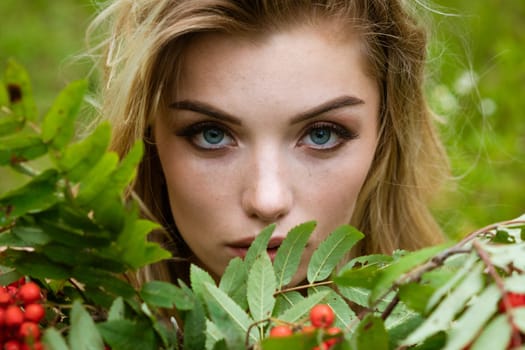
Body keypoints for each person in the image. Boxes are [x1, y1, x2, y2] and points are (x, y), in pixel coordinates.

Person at [88, 0, 449, 287]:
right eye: (211, 134)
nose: (267, 200)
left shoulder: (472, 328)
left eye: (321, 134)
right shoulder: (53, 321)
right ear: (148, 138)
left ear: (384, 133)